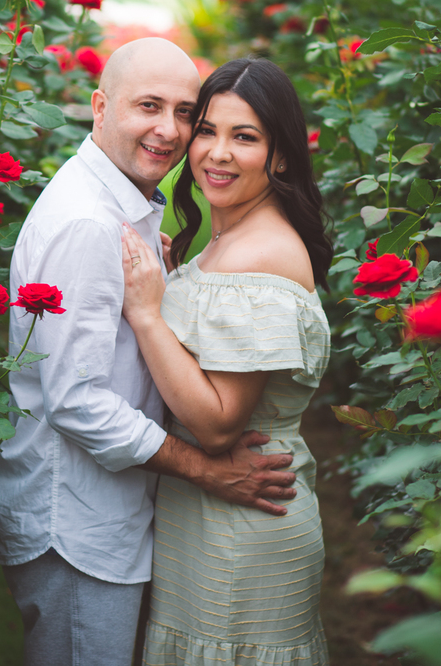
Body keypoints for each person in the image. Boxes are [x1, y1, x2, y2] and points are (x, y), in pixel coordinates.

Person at [0, 39, 301, 666]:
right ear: (100, 107)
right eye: (149, 106)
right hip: (78, 522)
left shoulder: (122, 206)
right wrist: (207, 469)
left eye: (186, 112)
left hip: (107, 512)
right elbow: (75, 401)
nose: (169, 130)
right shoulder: (89, 224)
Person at [119, 57, 334, 665]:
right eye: (207, 130)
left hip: (244, 526)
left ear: (281, 156)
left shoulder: (261, 255)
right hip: (211, 516)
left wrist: (147, 313)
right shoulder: (231, 236)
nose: (215, 153)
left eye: (245, 138)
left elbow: (217, 423)